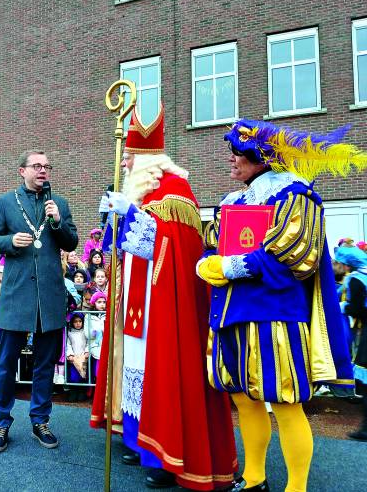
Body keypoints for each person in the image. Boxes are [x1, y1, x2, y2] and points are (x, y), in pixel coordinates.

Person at [197, 119, 357, 491]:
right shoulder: (232, 202)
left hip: (275, 318)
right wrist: (207, 260)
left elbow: (295, 255)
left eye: (238, 152)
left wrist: (230, 266)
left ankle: (296, 487)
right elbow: (212, 243)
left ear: (261, 155)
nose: (232, 159)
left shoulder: (295, 195)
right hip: (232, 314)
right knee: (245, 400)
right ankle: (254, 478)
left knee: (285, 403)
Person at [91, 105, 237, 490]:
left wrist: (133, 217)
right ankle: (139, 440)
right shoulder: (138, 190)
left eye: (129, 156)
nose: (123, 162)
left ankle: (164, 454)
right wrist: (116, 217)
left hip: (162, 305)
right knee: (134, 370)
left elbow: (172, 247)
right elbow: (119, 250)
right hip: (134, 301)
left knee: (161, 371)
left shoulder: (175, 192)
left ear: (147, 160)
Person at [0, 149, 78, 452]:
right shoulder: (5, 203)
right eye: (37, 166)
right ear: (21, 171)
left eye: (47, 166)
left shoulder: (59, 204)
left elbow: (71, 241)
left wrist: (57, 221)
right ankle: (1, 422)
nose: (43, 171)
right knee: (5, 363)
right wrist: (9, 242)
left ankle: (40, 419)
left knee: (44, 364)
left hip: (49, 296)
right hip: (16, 295)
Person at [334, 246, 367, 441]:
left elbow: (357, 309)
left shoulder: (356, 279)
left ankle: (366, 429)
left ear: (346, 264)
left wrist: (341, 306)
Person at [66, 311, 89, 402]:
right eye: (75, 322)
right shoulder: (70, 333)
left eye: (80, 321)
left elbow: (88, 343)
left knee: (83, 375)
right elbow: (68, 344)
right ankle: (73, 392)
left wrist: (87, 352)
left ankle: (82, 392)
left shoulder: (85, 332)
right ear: (72, 323)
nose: (78, 323)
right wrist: (70, 354)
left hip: (83, 357)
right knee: (74, 376)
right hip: (74, 357)